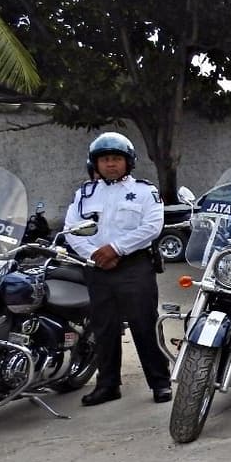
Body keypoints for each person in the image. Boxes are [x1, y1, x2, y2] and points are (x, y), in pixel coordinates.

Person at [64, 132, 171, 406]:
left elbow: (152, 227)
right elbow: (72, 231)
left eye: (116, 159)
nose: (111, 164)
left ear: (128, 162)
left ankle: (159, 382)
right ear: (95, 164)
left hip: (134, 267)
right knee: (103, 329)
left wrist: (116, 249)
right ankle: (108, 385)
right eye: (105, 159)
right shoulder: (84, 194)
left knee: (144, 325)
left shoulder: (146, 191)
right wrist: (97, 255)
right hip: (97, 268)